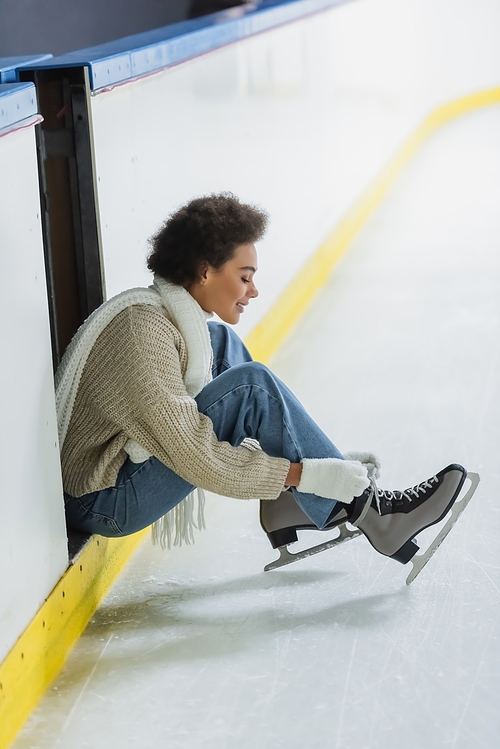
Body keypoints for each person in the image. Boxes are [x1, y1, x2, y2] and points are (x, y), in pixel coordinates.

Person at [58, 193, 469, 571]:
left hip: (116, 481)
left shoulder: (166, 319)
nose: (254, 290)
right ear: (205, 272)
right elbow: (196, 456)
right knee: (250, 386)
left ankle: (287, 504)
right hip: (102, 500)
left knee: (220, 343)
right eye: (245, 276)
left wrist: (301, 473)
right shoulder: (141, 333)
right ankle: (376, 516)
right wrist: (305, 474)